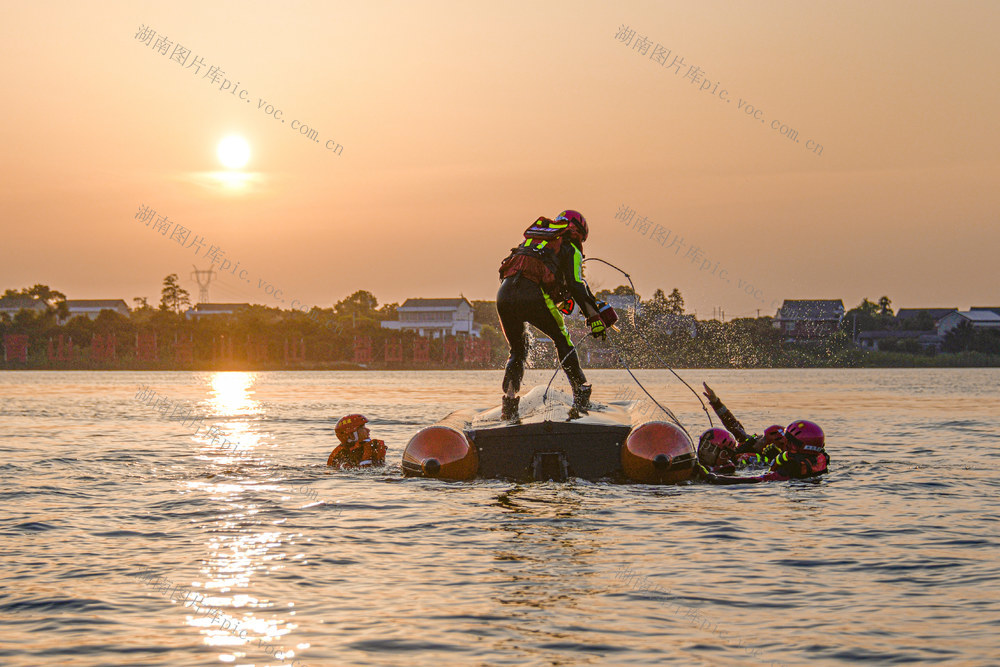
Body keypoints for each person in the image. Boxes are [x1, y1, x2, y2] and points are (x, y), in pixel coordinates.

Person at [496, 210, 617, 419]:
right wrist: (594, 318)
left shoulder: (536, 241)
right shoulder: (570, 248)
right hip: (532, 295)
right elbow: (576, 285)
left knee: (517, 350)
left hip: (504, 296)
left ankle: (509, 404)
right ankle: (581, 392)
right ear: (578, 233)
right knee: (562, 338)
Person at [698, 420, 830, 484]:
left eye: (787, 441)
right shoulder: (818, 459)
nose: (785, 443)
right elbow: (738, 431)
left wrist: (715, 479)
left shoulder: (792, 466)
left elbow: (759, 480)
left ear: (797, 445)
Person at [701, 383, 787, 456]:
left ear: (768, 446)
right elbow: (732, 423)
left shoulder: (756, 461)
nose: (759, 437)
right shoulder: (750, 442)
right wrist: (716, 402)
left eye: (764, 439)